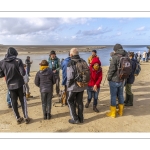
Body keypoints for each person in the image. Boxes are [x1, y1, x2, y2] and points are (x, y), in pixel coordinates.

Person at [0, 47, 30, 124]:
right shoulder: (18, 61)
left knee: (13, 102)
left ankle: (18, 118)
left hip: (10, 85)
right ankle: (26, 117)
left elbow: (1, 74)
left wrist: (7, 73)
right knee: (23, 101)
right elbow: (22, 73)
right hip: (20, 84)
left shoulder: (2, 62)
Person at [106, 44, 128, 118]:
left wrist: (109, 78)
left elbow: (111, 69)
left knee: (113, 96)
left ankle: (113, 113)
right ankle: (121, 111)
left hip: (114, 80)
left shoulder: (115, 57)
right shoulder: (126, 56)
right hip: (122, 79)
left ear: (115, 50)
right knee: (121, 95)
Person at [67, 48, 87, 124]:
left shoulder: (71, 63)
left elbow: (70, 77)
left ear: (71, 54)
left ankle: (75, 118)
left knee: (69, 101)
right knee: (80, 102)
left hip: (73, 87)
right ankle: (81, 118)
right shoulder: (83, 61)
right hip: (82, 85)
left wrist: (68, 86)